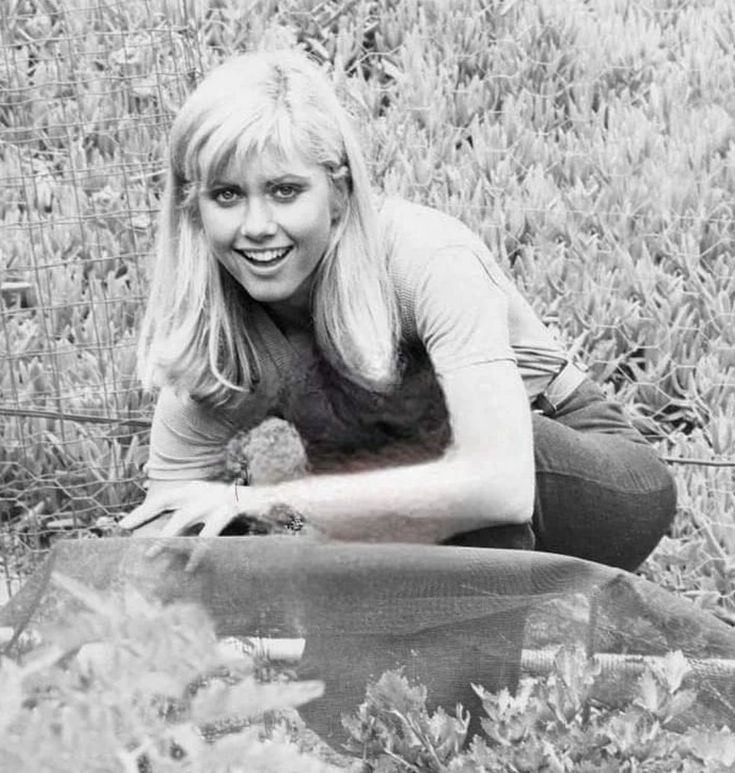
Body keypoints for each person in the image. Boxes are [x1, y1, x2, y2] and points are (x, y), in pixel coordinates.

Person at [119, 49, 676, 741]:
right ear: (193, 207)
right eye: (227, 196)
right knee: (346, 725)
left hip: (587, 476)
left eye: (285, 190)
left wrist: (255, 500)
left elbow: (497, 485)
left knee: (420, 429)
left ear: (340, 192)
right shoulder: (211, 329)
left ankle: (469, 737)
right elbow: (166, 530)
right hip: (406, 488)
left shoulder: (421, 256)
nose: (256, 226)